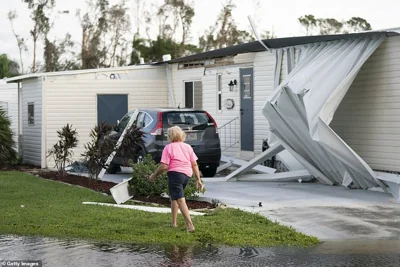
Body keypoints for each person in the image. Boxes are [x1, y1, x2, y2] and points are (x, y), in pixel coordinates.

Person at [148, 126, 202, 232]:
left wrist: (153, 176)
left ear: (170, 136)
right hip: (187, 175)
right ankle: (174, 223)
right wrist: (198, 179)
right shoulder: (188, 147)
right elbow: (194, 164)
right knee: (175, 198)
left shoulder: (169, 147)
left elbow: (164, 166)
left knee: (180, 199)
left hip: (176, 174)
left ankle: (190, 226)